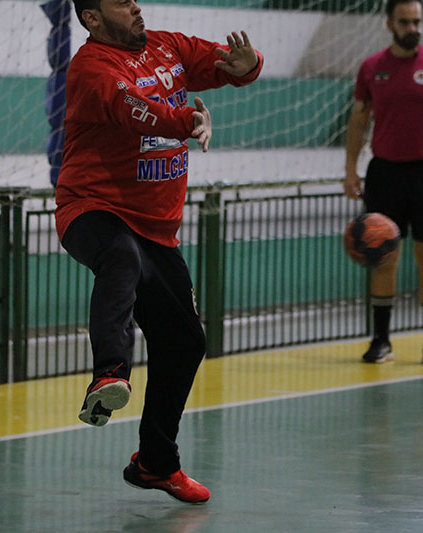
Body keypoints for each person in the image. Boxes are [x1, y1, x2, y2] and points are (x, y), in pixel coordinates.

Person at [56, 0, 263, 504]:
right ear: (92, 18)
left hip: (157, 229)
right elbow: (136, 109)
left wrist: (246, 65)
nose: (134, 6)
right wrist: (187, 119)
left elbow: (221, 63)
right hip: (92, 208)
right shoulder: (91, 68)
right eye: (120, 2)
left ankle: (155, 463)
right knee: (121, 256)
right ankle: (109, 374)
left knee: (185, 342)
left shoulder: (167, 46)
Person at [344, 0, 423, 367]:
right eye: (404, 22)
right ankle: (381, 340)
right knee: (383, 257)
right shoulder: (372, 68)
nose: (412, 28)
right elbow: (358, 121)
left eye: (417, 21)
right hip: (385, 173)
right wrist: (350, 169)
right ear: (390, 24)